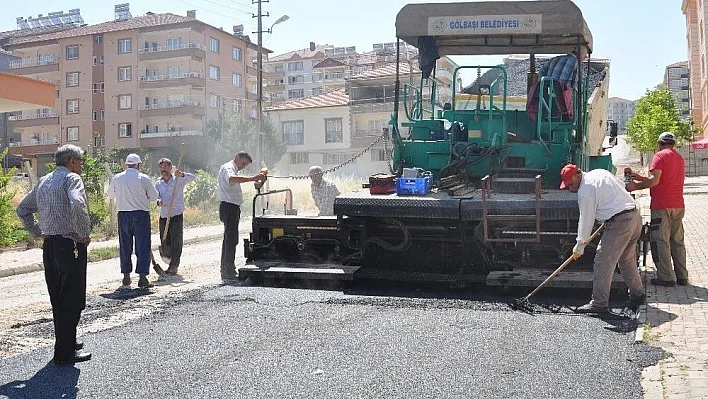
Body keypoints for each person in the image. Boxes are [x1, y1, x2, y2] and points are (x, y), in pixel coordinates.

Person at [16, 144, 92, 364]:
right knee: (72, 297)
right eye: (80, 162)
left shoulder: (44, 180)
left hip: (49, 246)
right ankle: (65, 353)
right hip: (70, 244)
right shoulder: (72, 179)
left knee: (58, 297)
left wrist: (37, 232)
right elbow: (78, 204)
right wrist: (83, 233)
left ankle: (67, 340)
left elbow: (22, 209)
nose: (81, 166)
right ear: (71, 161)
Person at [560, 164, 645, 313]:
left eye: (570, 183)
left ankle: (599, 304)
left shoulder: (585, 191)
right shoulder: (599, 172)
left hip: (620, 221)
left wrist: (580, 244)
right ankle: (638, 295)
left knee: (603, 262)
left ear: (577, 175)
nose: (570, 187)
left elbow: (586, 219)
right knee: (626, 260)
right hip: (634, 216)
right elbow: (618, 190)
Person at [627, 132, 687, 287]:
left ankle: (666, 278)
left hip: (662, 206)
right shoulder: (679, 158)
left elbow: (655, 181)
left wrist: (635, 186)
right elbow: (663, 179)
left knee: (661, 241)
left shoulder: (659, 156)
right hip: (678, 205)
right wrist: (638, 177)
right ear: (673, 144)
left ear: (660, 143)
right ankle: (682, 276)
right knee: (677, 241)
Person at [108, 153, 159, 288]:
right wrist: (143, 197)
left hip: (123, 214)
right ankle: (142, 278)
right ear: (138, 165)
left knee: (125, 246)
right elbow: (154, 197)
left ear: (126, 165)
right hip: (141, 214)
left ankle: (126, 276)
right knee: (143, 246)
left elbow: (110, 195)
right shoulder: (144, 178)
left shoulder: (117, 178)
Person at [217, 152, 266, 281]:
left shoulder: (233, 168)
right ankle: (228, 272)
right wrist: (252, 178)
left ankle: (226, 269)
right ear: (237, 158)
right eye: (243, 163)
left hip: (231, 207)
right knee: (231, 239)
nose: (243, 167)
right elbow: (232, 179)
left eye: (245, 165)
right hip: (229, 207)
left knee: (229, 239)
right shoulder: (229, 168)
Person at [155, 158, 196, 275]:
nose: (163, 170)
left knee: (176, 241)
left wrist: (182, 174)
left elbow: (193, 177)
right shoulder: (158, 183)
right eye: (161, 167)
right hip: (164, 216)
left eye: (165, 167)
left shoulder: (178, 179)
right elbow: (154, 198)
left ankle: (174, 266)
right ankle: (169, 262)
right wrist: (159, 202)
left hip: (176, 214)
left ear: (170, 167)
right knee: (165, 241)